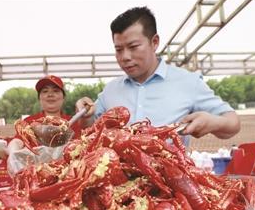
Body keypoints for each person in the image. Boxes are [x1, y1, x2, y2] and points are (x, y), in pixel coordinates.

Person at [76, 7, 240, 143]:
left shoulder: (188, 82)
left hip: (168, 180)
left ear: (154, 42)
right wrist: (85, 115)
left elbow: (233, 123)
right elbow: (90, 131)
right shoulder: (111, 90)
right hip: (115, 180)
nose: (125, 57)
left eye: (133, 47)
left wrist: (214, 122)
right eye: (118, 49)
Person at [7, 75, 81, 171]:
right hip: (35, 174)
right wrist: (13, 153)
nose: (50, 94)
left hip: (67, 174)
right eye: (45, 91)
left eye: (56, 91)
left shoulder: (73, 122)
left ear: (63, 97)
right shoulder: (29, 122)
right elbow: (17, 141)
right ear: (39, 98)